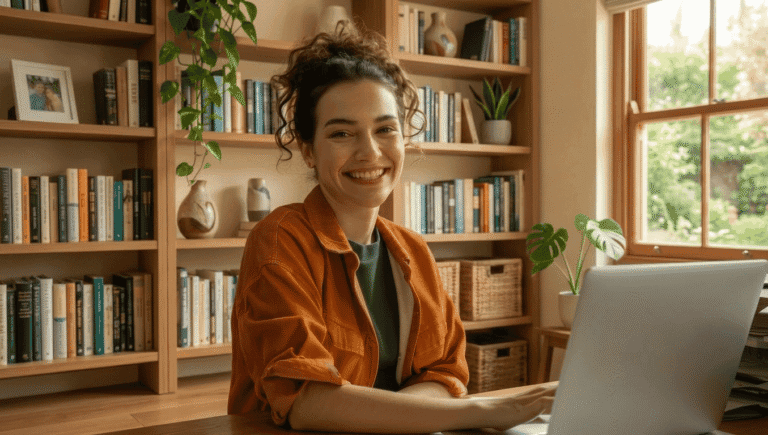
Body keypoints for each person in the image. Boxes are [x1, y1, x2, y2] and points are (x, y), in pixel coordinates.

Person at [227, 24, 555, 433]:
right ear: (308, 150)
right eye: (342, 133)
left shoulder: (413, 250)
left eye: (385, 129)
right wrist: (480, 412)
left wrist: (398, 419)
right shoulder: (279, 239)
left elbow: (444, 374)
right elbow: (305, 400)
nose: (370, 152)